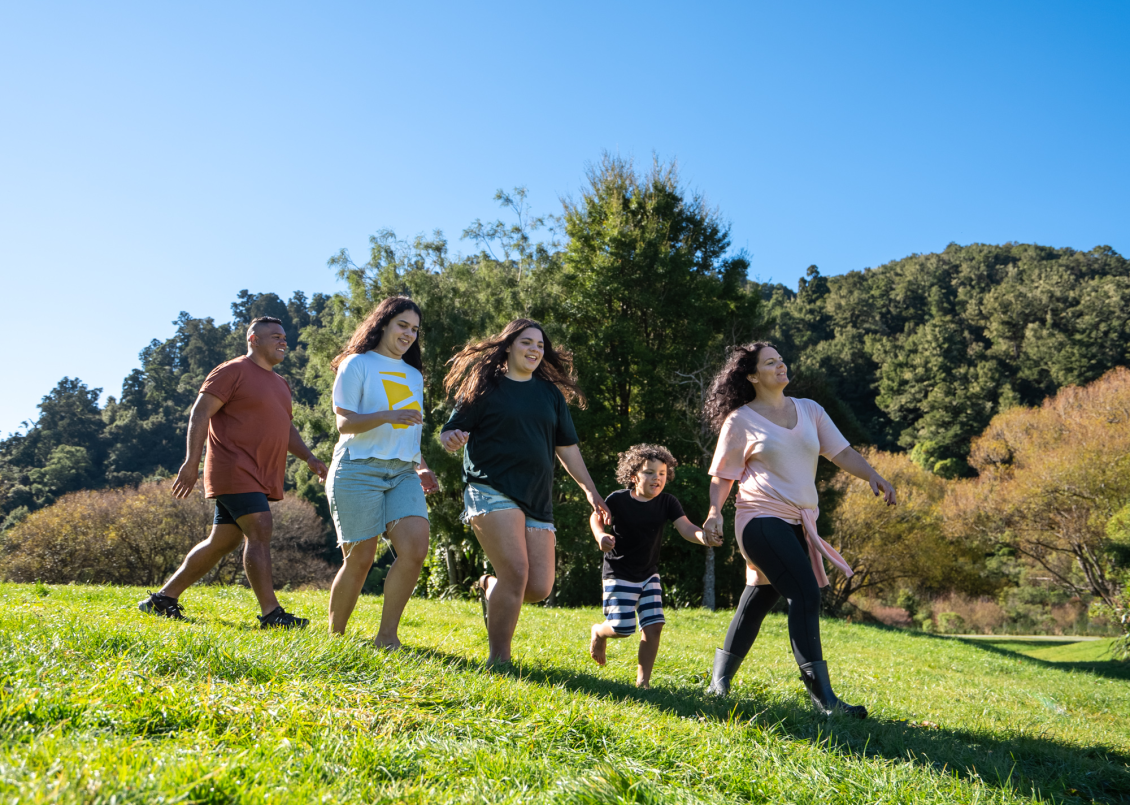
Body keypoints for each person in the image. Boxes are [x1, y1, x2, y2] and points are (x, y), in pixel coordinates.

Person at [701, 342, 896, 718]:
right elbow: (723, 475)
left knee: (757, 599)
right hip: (759, 519)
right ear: (753, 375)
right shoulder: (740, 421)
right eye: (770, 363)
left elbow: (840, 453)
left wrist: (873, 474)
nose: (780, 365)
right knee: (805, 592)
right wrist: (714, 513)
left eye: (781, 360)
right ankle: (825, 699)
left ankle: (718, 683)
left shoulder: (809, 410)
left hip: (797, 523)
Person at [439, 318, 610, 666]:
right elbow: (450, 432)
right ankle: (499, 661)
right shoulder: (484, 387)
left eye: (540, 345)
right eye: (526, 343)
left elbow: (568, 448)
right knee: (516, 572)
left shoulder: (549, 394)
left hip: (536, 497)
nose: (534, 350)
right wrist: (451, 438)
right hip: (489, 487)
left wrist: (591, 492)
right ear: (509, 346)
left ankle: (489, 587)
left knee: (537, 588)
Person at [139, 316, 328, 628]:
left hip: (259, 473)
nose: (283, 342)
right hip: (233, 466)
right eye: (274, 337)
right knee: (260, 528)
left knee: (223, 541)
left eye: (284, 337)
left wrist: (308, 457)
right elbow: (200, 412)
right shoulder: (232, 370)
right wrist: (191, 462)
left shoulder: (281, 384)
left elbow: (285, 425)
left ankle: (162, 600)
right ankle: (271, 614)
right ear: (253, 339)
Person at [324, 296, 438, 646]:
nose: (408, 334)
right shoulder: (356, 364)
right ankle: (335, 639)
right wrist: (389, 415)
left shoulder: (413, 375)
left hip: (402, 473)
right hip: (357, 469)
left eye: (415, 329)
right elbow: (345, 423)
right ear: (384, 323)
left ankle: (387, 637)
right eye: (403, 325)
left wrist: (421, 465)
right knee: (360, 558)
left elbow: (410, 428)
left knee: (416, 549)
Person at [587, 443, 722, 688]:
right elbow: (596, 517)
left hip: (649, 574)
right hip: (619, 573)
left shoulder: (668, 502)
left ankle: (643, 683)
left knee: (654, 625)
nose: (656, 478)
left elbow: (685, 527)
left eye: (661, 473)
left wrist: (703, 536)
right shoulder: (618, 500)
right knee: (622, 627)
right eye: (649, 472)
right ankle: (598, 631)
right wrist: (600, 536)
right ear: (633, 476)